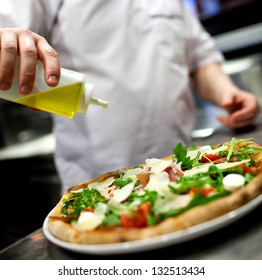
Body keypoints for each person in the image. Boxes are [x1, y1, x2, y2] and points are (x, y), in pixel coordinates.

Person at [0, 0, 260, 194]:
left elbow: (198, 57)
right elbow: (7, 36)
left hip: (186, 171)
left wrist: (227, 92)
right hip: (101, 188)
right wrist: (6, 37)